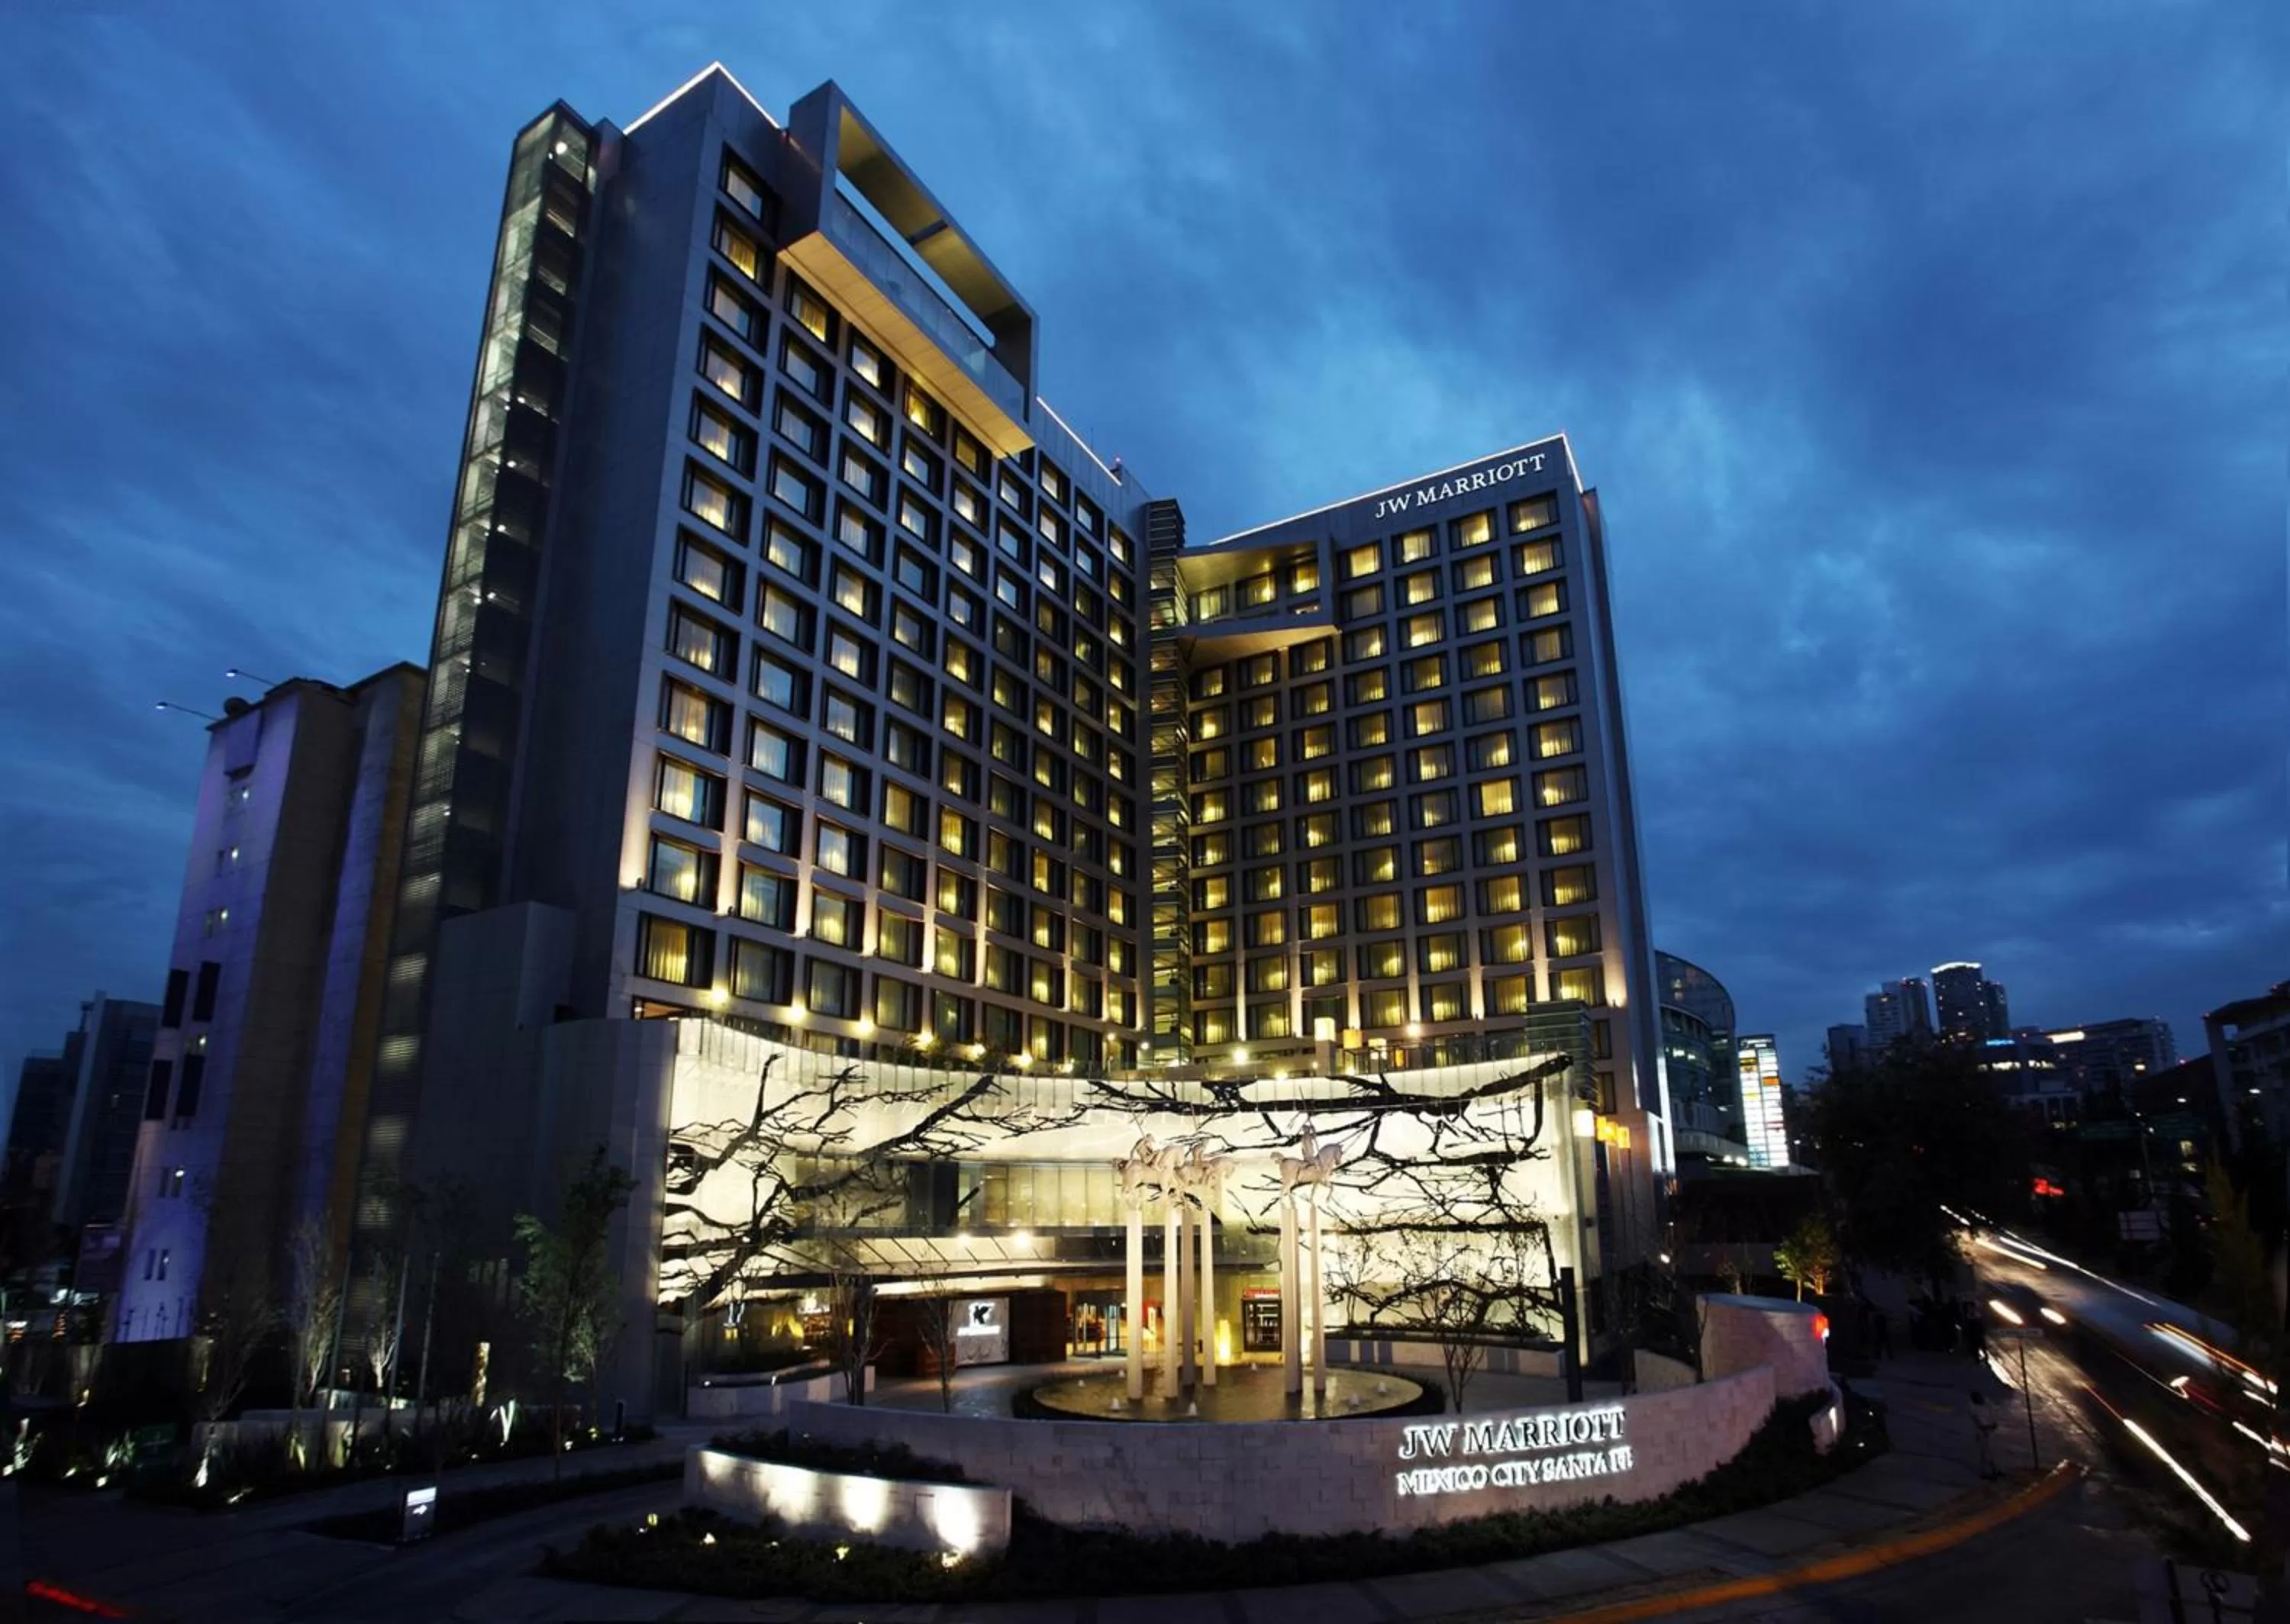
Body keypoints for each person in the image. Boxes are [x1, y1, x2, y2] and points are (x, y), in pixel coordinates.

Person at [1969, 1391, 1999, 1480]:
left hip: (1989, 1431)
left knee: (1992, 1452)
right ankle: (1985, 1472)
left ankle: (1994, 1470)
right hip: (1981, 1433)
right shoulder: (1974, 1409)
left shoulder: (1986, 1405)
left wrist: (1993, 1424)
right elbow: (1978, 1422)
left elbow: (1991, 1415)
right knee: (1985, 1453)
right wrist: (1986, 1428)